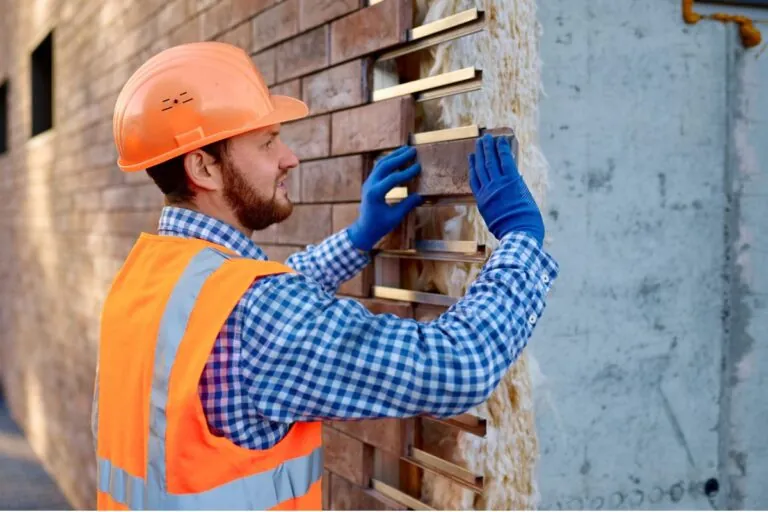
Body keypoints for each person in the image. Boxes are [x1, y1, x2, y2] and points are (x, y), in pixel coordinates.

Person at [92, 41, 558, 510]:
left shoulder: (148, 280)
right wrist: (521, 242)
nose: (289, 158)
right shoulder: (259, 313)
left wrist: (358, 238)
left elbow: (258, 305)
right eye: (267, 141)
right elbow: (459, 368)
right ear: (203, 167)